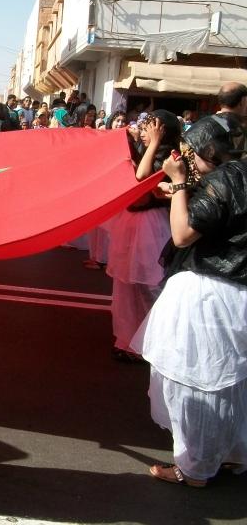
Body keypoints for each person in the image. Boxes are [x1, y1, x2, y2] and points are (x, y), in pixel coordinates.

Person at [131, 117, 247, 487]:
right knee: (233, 384)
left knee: (194, 382)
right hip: (238, 293)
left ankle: (195, 468)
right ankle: (231, 454)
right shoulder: (238, 175)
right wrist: (182, 189)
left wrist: (180, 183)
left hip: (210, 294)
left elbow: (182, 235)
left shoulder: (221, 181)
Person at [106, 110, 181, 361]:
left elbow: (142, 178)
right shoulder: (143, 150)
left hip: (151, 226)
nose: (144, 131)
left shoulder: (170, 156)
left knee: (151, 286)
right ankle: (128, 340)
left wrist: (155, 143)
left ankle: (154, 343)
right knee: (126, 287)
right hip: (132, 223)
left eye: (150, 127)